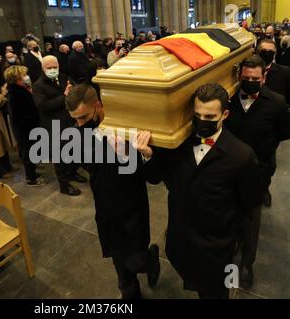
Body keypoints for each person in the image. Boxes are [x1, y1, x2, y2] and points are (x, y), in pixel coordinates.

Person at [137, 83, 264, 299]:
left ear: (224, 114)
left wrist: (243, 254)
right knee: (191, 279)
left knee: (215, 294)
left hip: (217, 249)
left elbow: (250, 206)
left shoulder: (242, 156)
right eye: (198, 115)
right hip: (180, 241)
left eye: (209, 116)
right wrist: (148, 154)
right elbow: (156, 177)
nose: (202, 121)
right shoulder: (179, 144)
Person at [65, 84, 160, 299]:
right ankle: (130, 294)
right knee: (120, 263)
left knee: (136, 261)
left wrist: (131, 155)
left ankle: (151, 258)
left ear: (98, 106)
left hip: (131, 205)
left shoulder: (126, 127)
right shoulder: (79, 132)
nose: (79, 124)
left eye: (83, 117)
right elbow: (85, 164)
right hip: (105, 207)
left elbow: (152, 176)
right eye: (75, 119)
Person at [225, 56, 290, 287]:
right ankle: (232, 246)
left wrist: (267, 145)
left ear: (263, 77)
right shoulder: (228, 101)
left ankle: (247, 263)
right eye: (246, 78)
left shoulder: (276, 102)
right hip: (230, 171)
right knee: (230, 213)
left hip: (258, 170)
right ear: (239, 76)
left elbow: (288, 131)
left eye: (255, 79)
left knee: (251, 218)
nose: (250, 82)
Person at [33, 56, 87, 196]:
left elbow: (75, 91)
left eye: (54, 67)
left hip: (70, 120)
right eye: (49, 68)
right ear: (43, 69)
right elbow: (43, 106)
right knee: (60, 156)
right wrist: (64, 96)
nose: (52, 70)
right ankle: (64, 184)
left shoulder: (64, 77)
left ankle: (72, 172)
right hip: (54, 125)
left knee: (74, 149)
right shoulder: (38, 85)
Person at [5, 65, 45, 186]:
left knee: (30, 152)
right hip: (25, 128)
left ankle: (32, 173)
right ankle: (31, 178)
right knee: (28, 153)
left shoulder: (21, 88)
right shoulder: (15, 92)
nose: (26, 77)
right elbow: (22, 113)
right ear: (17, 78)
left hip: (28, 126)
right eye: (23, 75)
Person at [257, 39, 290, 108]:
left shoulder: (285, 72)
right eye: (263, 51)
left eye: (271, 52)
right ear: (257, 52)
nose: (267, 54)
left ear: (275, 54)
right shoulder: (249, 71)